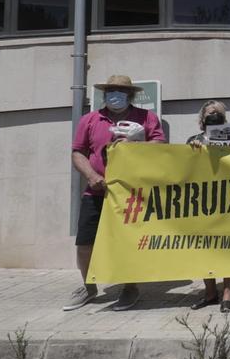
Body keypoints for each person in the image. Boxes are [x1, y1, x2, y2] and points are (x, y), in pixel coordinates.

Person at [64, 75, 165, 312]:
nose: (114, 95)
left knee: (129, 242)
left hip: (131, 193)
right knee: (85, 244)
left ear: (130, 95)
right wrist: (91, 176)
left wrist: (136, 145)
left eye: (120, 91)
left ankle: (131, 287)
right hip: (96, 192)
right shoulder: (89, 119)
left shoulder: (146, 118)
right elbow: (77, 153)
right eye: (110, 91)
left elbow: (161, 146)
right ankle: (89, 287)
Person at [187, 100, 230, 312]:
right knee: (203, 247)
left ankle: (228, 291)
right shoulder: (193, 140)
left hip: (226, 199)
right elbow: (183, 166)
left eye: (217, 113)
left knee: (226, 245)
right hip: (202, 200)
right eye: (209, 113)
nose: (213, 116)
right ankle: (210, 292)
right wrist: (192, 150)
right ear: (202, 120)